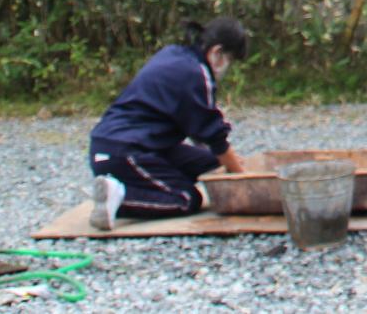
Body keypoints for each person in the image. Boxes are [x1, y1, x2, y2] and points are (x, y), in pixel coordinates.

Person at [86, 17, 249, 230]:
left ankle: (114, 190)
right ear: (217, 52)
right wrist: (243, 177)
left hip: (132, 144)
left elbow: (198, 129)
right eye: (230, 59)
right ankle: (120, 196)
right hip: (123, 150)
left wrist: (226, 162)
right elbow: (214, 135)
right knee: (186, 199)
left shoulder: (173, 54)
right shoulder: (196, 74)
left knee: (213, 164)